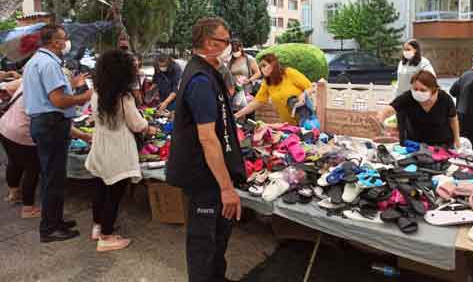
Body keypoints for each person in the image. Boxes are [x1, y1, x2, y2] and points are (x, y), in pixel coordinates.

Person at [166, 17, 245, 282]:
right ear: (211, 43)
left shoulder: (208, 71)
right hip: (205, 179)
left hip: (211, 174)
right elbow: (207, 138)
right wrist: (225, 188)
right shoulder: (200, 79)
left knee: (218, 238)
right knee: (204, 243)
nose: (230, 46)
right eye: (226, 41)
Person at [23, 25, 93, 243]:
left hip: (44, 124)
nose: (66, 42)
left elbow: (53, 93)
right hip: (51, 124)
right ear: (55, 42)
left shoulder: (35, 61)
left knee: (51, 177)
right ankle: (50, 228)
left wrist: (70, 86)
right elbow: (58, 101)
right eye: (64, 39)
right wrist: (83, 97)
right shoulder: (49, 63)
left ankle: (54, 220)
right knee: (53, 178)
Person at [85, 50, 156, 252]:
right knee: (114, 194)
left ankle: (98, 227)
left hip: (100, 145)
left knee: (100, 186)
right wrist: (148, 127)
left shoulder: (97, 92)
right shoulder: (123, 97)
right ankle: (107, 237)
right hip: (118, 148)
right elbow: (136, 124)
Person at [0, 78, 91, 219]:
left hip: (5, 127)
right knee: (33, 168)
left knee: (14, 161)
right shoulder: (51, 97)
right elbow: (64, 126)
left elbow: (5, 89)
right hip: (23, 132)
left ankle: (13, 194)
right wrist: (86, 136)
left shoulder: (29, 80)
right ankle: (28, 208)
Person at [378, 70, 460, 148]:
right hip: (415, 145)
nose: (418, 92)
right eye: (415, 89)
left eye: (423, 90)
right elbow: (391, 108)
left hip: (442, 145)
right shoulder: (408, 97)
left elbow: (453, 119)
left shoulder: (444, 99)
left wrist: (457, 140)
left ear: (433, 89)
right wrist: (382, 115)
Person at [234, 53, 313, 125]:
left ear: (273, 64)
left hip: (307, 122)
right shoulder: (266, 83)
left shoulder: (289, 73)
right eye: (260, 67)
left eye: (264, 65)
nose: (262, 69)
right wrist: (237, 115)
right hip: (288, 125)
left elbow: (310, 87)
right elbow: (257, 102)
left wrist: (303, 95)